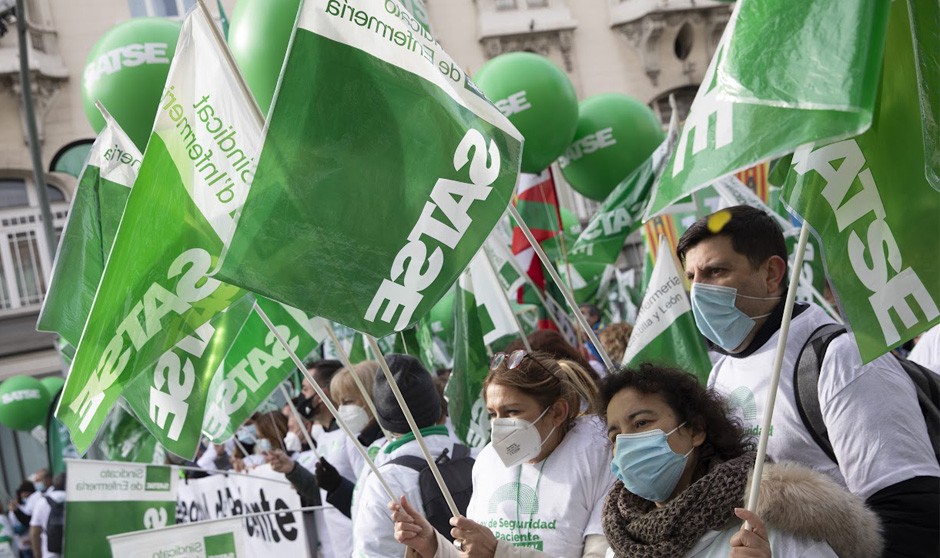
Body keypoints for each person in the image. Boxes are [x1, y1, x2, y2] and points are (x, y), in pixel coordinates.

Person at [677, 205, 940, 556]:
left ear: (772, 273)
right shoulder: (721, 371)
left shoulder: (842, 359)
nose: (699, 291)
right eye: (692, 277)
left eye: (715, 271)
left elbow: (911, 516)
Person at [600, 365, 883, 557]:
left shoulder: (768, 517)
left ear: (696, 430)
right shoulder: (623, 541)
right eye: (615, 436)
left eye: (641, 423)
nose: (625, 442)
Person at [392, 350, 614, 558]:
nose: (499, 425)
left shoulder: (596, 456)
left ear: (557, 412)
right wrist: (432, 544)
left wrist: (498, 551)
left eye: (512, 412)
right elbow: (474, 552)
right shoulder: (488, 462)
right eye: (492, 413)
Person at [351, 354, 454, 558]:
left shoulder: (385, 481)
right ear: (436, 406)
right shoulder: (477, 457)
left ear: (383, 418)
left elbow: (371, 553)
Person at [28, 473, 65, 558]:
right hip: (74, 550)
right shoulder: (75, 501)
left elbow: (34, 533)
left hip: (49, 553)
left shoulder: (41, 502)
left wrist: (37, 555)